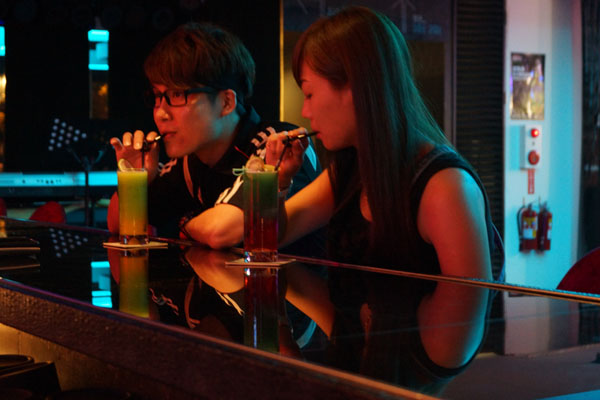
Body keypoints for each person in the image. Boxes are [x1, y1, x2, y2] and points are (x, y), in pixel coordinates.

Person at [264, 5, 501, 385]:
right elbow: (271, 237)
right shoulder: (352, 169)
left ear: (354, 89)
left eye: (309, 94)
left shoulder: (444, 187)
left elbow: (458, 329)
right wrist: (278, 181)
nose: (305, 112)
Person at [106, 22, 321, 252]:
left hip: (298, 274)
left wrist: (186, 223)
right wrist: (135, 178)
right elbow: (116, 224)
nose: (160, 113)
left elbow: (220, 231)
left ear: (226, 102)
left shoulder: (279, 145)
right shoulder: (189, 162)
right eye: (157, 97)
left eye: (177, 95)